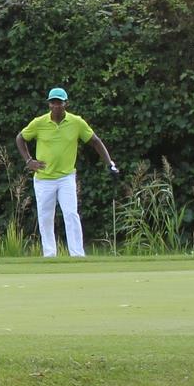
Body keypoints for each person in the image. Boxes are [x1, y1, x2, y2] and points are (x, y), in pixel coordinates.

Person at [15, 86, 118, 259]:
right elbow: (20, 138)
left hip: (66, 177)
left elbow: (95, 141)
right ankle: (49, 255)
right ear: (49, 104)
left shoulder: (76, 122)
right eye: (53, 102)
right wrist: (28, 160)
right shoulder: (39, 122)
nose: (56, 106)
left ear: (65, 104)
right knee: (46, 217)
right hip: (44, 179)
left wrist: (110, 164)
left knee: (71, 214)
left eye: (59, 103)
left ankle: (77, 255)